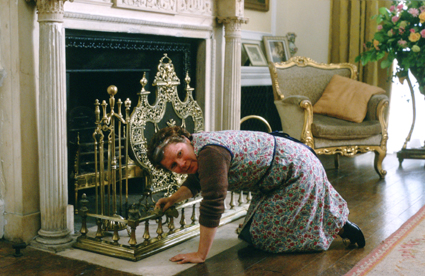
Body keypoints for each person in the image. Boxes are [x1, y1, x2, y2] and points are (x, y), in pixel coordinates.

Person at [147, 126, 365, 264]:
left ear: (185, 140)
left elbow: (213, 203)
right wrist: (173, 199)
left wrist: (200, 254)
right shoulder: (201, 145)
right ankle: (336, 223)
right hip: (281, 173)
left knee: (262, 238)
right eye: (173, 165)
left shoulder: (210, 153)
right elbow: (197, 181)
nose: (182, 164)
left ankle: (338, 227)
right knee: (251, 232)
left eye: (179, 154)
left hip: (295, 171)